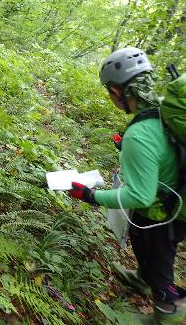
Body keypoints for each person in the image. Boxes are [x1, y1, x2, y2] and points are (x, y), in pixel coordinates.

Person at [67, 47, 186, 324]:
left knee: (157, 261)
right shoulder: (163, 109)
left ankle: (168, 309)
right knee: (155, 254)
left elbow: (140, 196)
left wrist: (90, 195)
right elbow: (166, 150)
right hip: (178, 198)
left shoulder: (140, 135)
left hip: (160, 214)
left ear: (120, 92)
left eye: (110, 90)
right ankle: (142, 279)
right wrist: (126, 147)